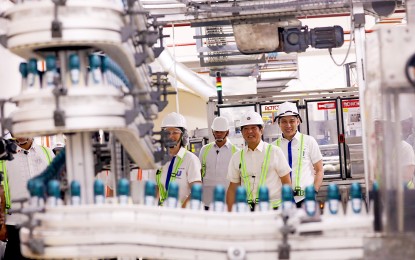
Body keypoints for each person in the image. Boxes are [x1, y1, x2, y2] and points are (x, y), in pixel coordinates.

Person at [0, 136, 54, 259]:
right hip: (15, 224)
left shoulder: (47, 152)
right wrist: (2, 225)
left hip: (44, 222)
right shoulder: (4, 156)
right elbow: (1, 191)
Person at [226, 111, 291, 211]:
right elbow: (232, 188)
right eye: (246, 129)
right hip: (247, 211)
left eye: (253, 128)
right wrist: (229, 214)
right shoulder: (237, 157)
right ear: (242, 132)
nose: (250, 132)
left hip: (273, 210)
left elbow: (286, 183)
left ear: (261, 130)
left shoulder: (275, 152)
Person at [273, 101, 324, 208]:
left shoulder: (309, 141)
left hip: (306, 199)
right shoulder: (273, 147)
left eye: (292, 121)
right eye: (284, 122)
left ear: (298, 121)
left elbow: (319, 170)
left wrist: (314, 191)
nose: (288, 125)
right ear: (279, 123)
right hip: (282, 201)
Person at [156, 112, 202, 207]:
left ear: (183, 136)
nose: (170, 136)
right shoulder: (160, 160)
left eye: (175, 132)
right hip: (164, 215)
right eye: (167, 132)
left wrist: (180, 212)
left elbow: (197, 191)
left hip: (184, 216)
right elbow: (156, 189)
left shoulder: (190, 159)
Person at [199, 116, 239, 209]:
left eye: (222, 132)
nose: (219, 134)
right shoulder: (204, 150)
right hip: (207, 201)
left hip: (227, 201)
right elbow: (199, 173)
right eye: (216, 132)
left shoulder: (235, 151)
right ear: (213, 131)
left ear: (227, 132)